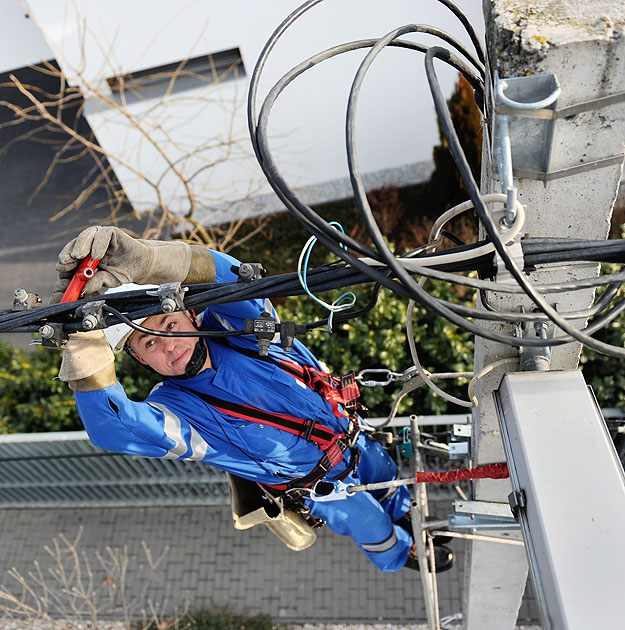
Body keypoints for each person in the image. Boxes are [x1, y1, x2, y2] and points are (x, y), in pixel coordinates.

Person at [52, 226, 454, 573]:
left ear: (192, 315)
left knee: (382, 473)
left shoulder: (237, 328)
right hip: (324, 486)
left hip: (350, 431)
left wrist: (145, 258)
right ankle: (402, 553)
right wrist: (85, 346)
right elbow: (114, 428)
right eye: (151, 342)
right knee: (369, 524)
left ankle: (404, 509)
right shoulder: (178, 411)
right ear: (138, 359)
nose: (169, 345)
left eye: (169, 323)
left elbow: (232, 276)